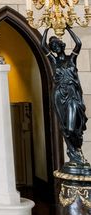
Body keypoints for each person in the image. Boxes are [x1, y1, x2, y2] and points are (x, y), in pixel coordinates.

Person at [41, 26, 88, 166]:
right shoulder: (54, 61)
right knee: (66, 127)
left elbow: (79, 43)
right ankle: (75, 154)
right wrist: (46, 29)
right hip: (59, 94)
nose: (55, 47)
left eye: (57, 44)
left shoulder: (72, 58)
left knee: (73, 127)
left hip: (73, 94)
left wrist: (67, 28)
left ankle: (77, 151)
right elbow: (42, 45)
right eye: (53, 46)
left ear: (62, 45)